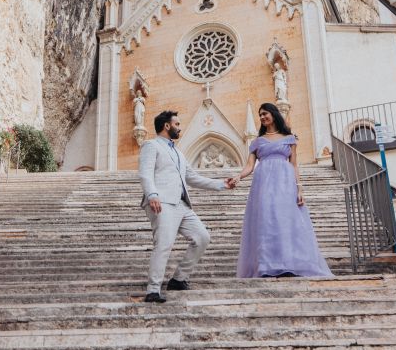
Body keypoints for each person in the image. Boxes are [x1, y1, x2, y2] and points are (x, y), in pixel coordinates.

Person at [138, 109, 235, 302]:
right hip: (162, 202)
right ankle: (153, 289)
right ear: (167, 126)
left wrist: (221, 184)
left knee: (202, 237)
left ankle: (179, 278)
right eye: (177, 124)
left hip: (182, 205)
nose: (179, 128)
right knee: (164, 244)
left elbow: (192, 178)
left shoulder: (180, 154)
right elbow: (145, 173)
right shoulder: (151, 145)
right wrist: (152, 194)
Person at [231, 103, 333, 278]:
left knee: (285, 220)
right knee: (266, 221)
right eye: (260, 115)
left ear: (273, 114)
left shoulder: (289, 138)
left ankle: (289, 263)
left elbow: (294, 164)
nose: (262, 117)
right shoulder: (257, 142)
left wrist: (299, 189)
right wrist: (239, 177)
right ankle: (266, 265)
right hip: (263, 184)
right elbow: (250, 166)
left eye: (265, 114)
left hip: (285, 183)